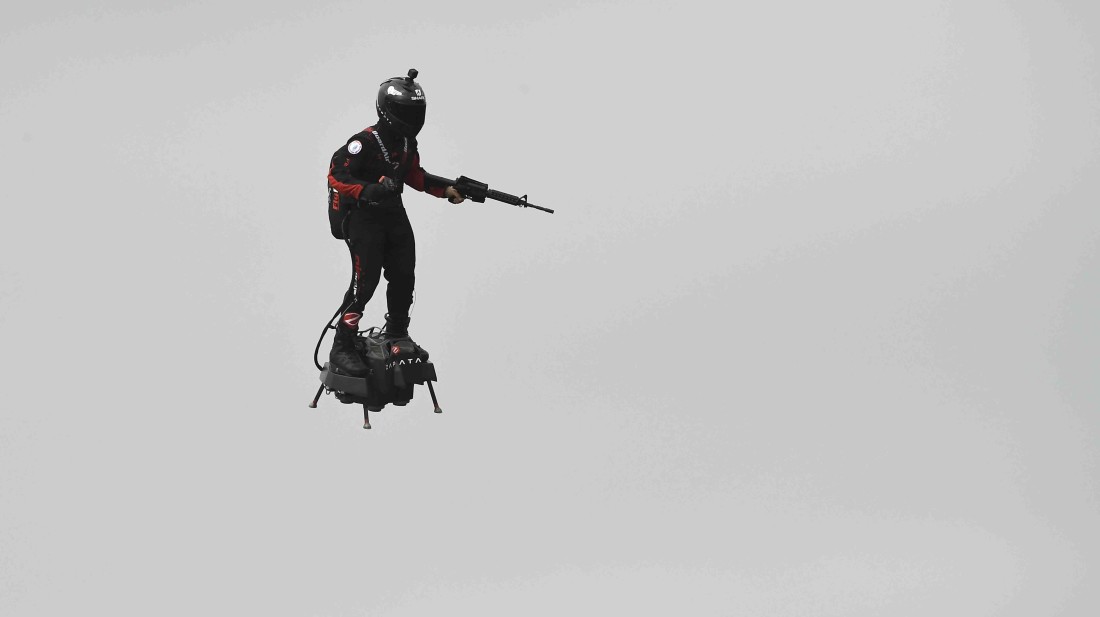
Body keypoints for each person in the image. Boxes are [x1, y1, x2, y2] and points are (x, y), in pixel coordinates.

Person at [326, 68, 464, 376]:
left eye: (415, 112)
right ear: (387, 111)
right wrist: (368, 189)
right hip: (362, 217)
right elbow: (336, 176)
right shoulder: (362, 142)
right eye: (404, 111)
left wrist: (446, 190)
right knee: (366, 283)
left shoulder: (405, 143)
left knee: (404, 272)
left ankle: (397, 333)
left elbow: (413, 174)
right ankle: (342, 345)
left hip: (391, 212)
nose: (411, 118)